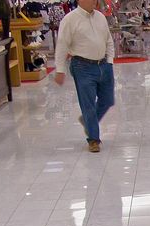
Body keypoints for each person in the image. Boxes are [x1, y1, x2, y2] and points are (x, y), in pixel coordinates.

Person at [54, 0, 115, 153]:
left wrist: (110, 61)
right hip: (82, 67)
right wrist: (60, 69)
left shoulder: (100, 17)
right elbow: (62, 45)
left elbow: (109, 40)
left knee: (107, 100)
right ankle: (93, 139)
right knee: (88, 104)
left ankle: (87, 122)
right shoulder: (70, 20)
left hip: (104, 65)